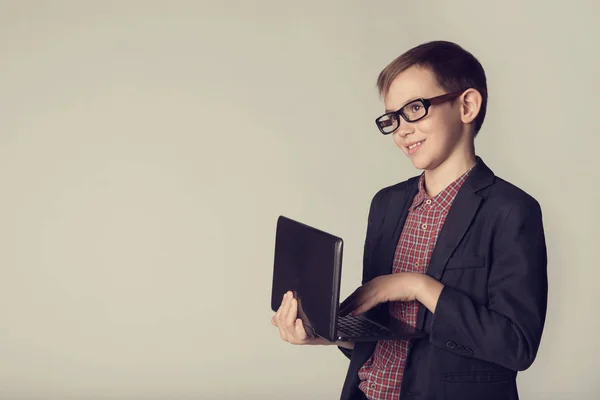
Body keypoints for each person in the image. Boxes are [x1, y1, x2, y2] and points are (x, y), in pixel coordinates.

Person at [271, 40, 548, 400]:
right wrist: (327, 333)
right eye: (392, 118)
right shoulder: (387, 204)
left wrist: (417, 286)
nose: (401, 130)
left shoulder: (511, 210)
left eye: (415, 108)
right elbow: (385, 338)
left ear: (467, 105)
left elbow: (516, 346)